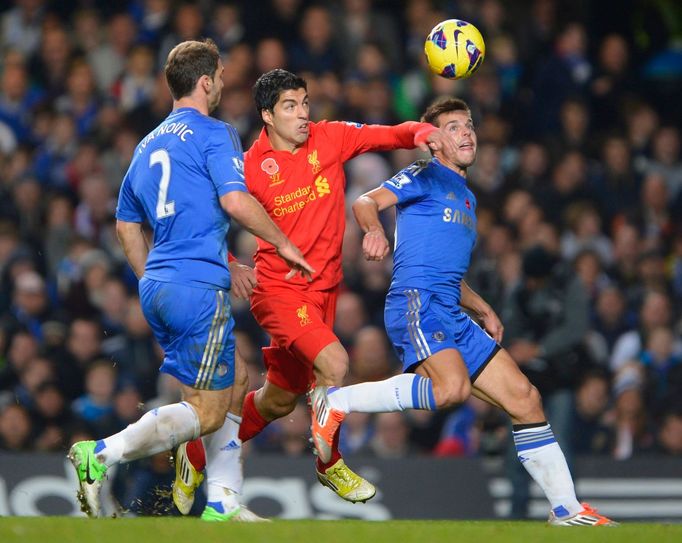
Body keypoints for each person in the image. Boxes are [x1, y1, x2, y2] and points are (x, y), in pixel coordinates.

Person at [173, 68, 456, 516]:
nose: (303, 114)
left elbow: (392, 134)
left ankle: (193, 454)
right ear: (267, 115)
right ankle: (331, 463)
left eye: (304, 103)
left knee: (279, 400)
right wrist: (229, 264)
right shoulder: (248, 167)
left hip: (324, 294)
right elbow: (197, 222)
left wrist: (424, 130)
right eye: (290, 106)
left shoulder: (332, 137)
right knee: (336, 363)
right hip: (279, 290)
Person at [327, 97, 615, 526]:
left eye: (469, 125)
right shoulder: (425, 173)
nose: (466, 133)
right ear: (434, 142)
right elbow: (366, 201)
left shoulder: (465, 196)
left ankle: (568, 510)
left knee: (526, 399)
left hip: (450, 309)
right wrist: (373, 231)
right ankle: (336, 401)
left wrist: (483, 308)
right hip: (418, 301)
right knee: (451, 390)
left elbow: (450, 272)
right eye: (454, 127)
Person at [67, 40, 313, 520]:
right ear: (205, 82)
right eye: (220, 75)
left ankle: (222, 502)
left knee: (237, 379)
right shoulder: (215, 132)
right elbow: (235, 202)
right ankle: (99, 456)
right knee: (208, 412)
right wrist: (283, 243)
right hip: (196, 288)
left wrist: (152, 278)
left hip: (161, 284)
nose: (222, 83)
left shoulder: (147, 143)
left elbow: (125, 225)